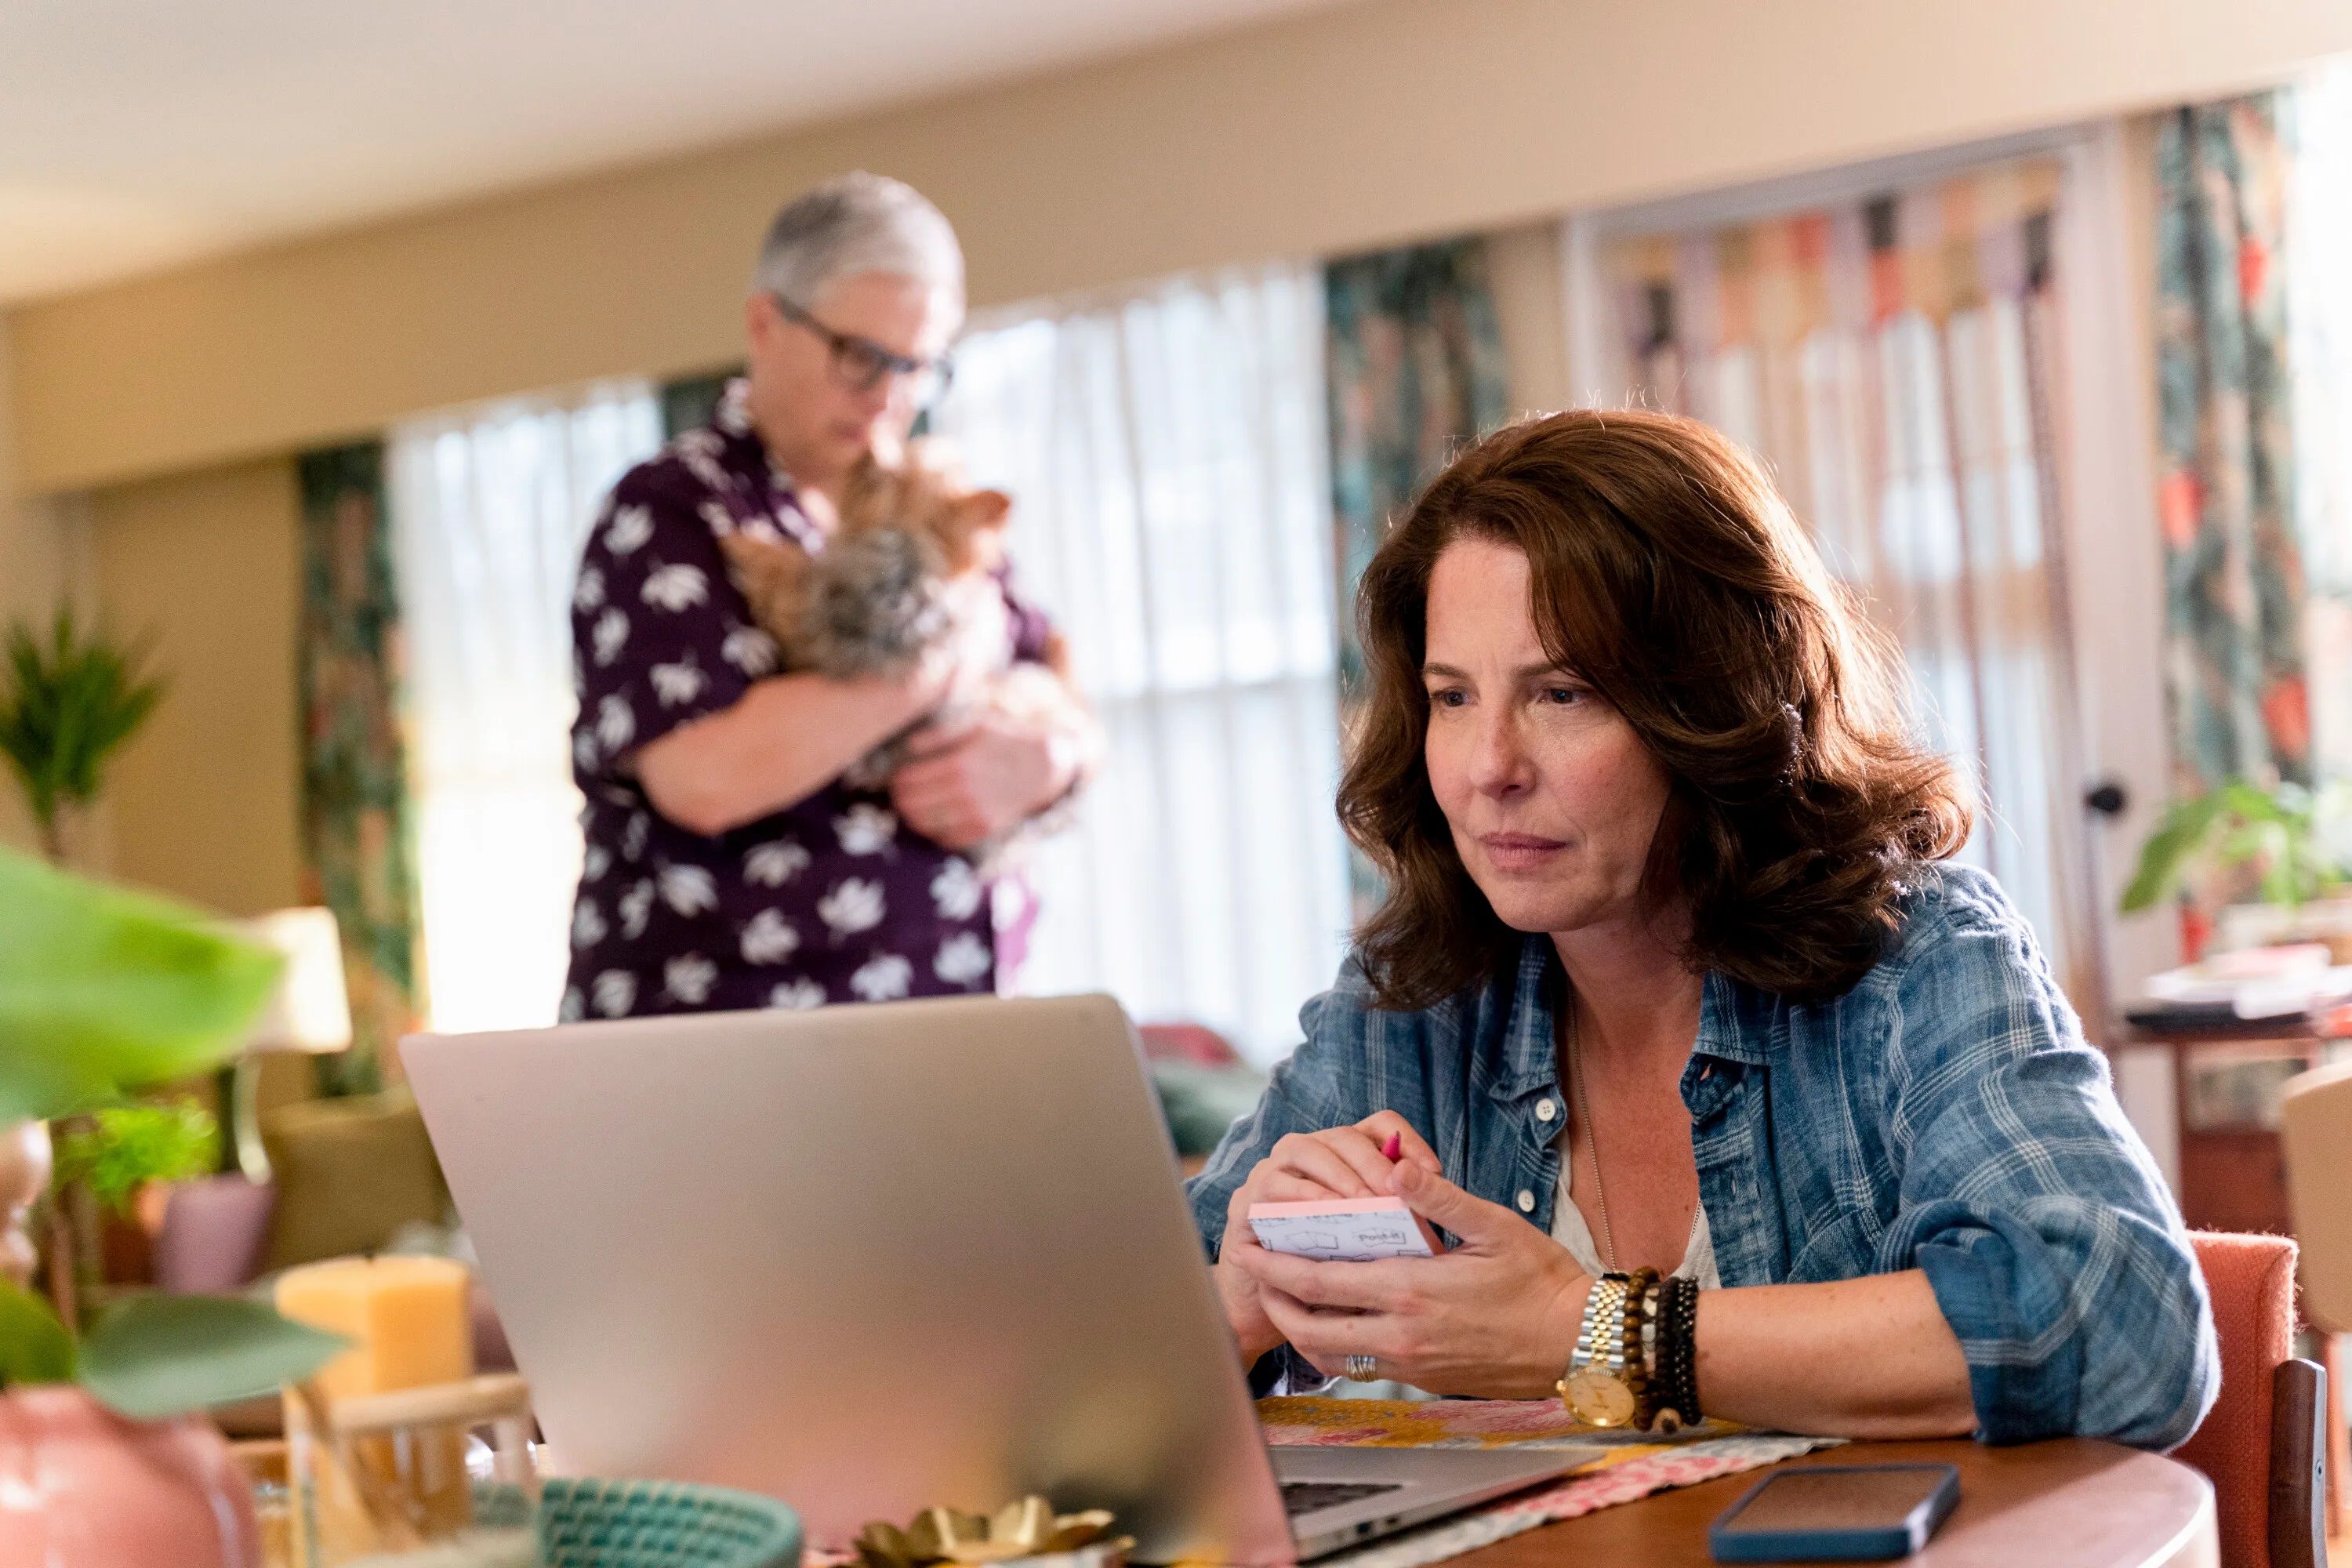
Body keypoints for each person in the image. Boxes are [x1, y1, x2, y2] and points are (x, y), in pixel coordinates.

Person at [1187, 409, 2219, 1447]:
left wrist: (1585, 1330)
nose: (1487, 766)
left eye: (1563, 692)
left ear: (1719, 705)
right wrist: (1234, 1302)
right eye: (1452, 696)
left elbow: (2126, 1330)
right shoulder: (1412, 1001)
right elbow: (1076, 1367)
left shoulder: (1914, 956)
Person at [562, 172, 1096, 1020]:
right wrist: (939, 662)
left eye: (916, 366)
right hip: (730, 1046)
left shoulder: (935, 499)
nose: (888, 395)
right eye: (860, 356)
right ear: (765, 323)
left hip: (953, 1023)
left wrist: (1049, 759)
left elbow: (1060, 690)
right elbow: (704, 777)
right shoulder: (672, 509)